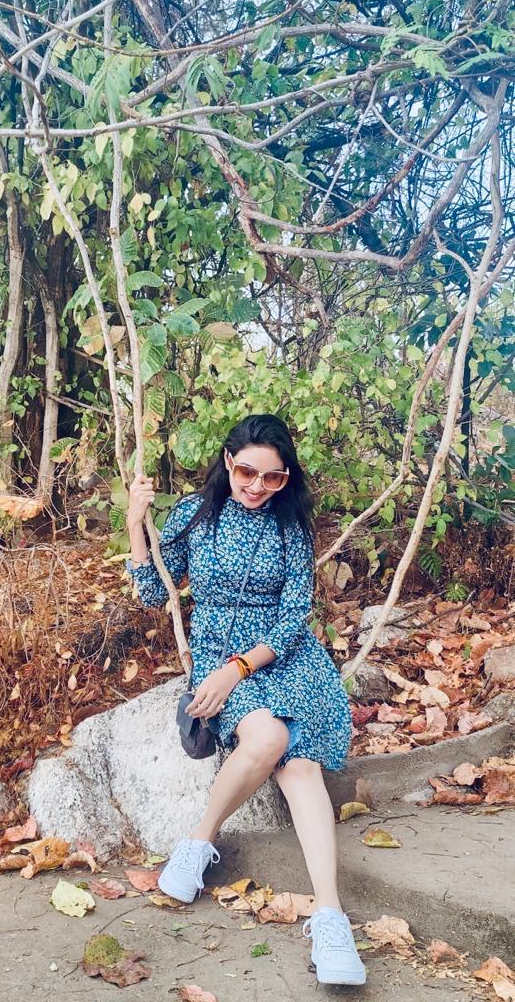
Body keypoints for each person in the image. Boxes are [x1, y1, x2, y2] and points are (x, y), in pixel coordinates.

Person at [125, 413, 366, 987]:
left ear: (287, 479)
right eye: (247, 472)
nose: (257, 486)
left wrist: (238, 669)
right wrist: (135, 523)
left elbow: (294, 615)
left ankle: (330, 919)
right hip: (219, 654)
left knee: (301, 766)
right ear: (227, 462)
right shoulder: (194, 514)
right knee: (268, 738)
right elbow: (155, 592)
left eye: (273, 478)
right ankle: (199, 842)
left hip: (283, 659)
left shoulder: (290, 527)